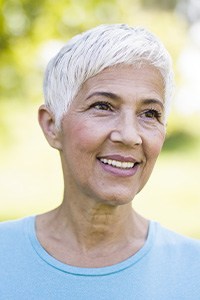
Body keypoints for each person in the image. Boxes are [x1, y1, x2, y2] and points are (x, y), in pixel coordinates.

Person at [0, 24, 200, 300]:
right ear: (52, 126)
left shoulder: (193, 270)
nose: (130, 136)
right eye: (103, 106)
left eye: (150, 113)